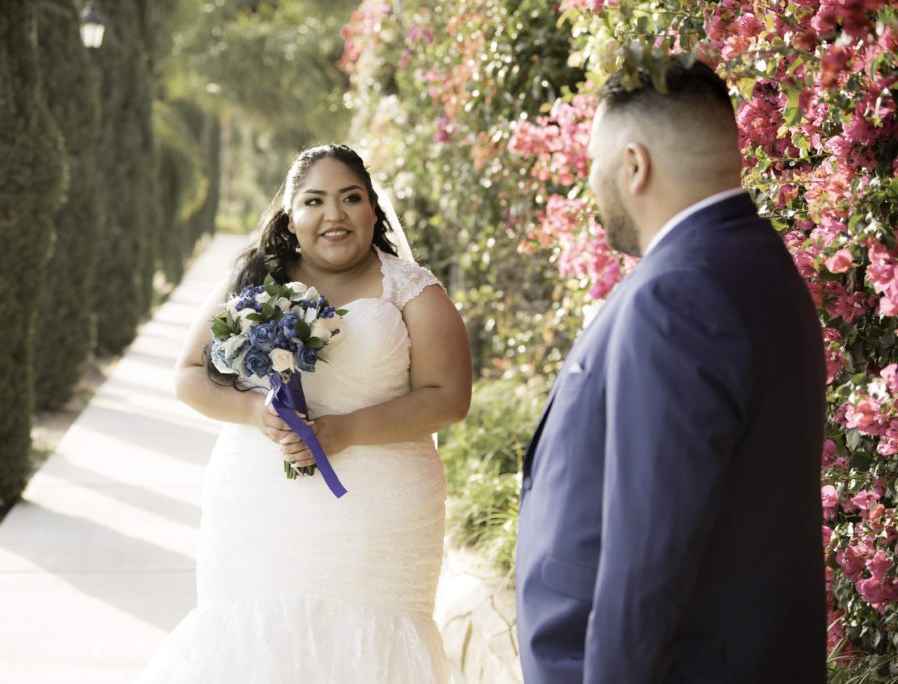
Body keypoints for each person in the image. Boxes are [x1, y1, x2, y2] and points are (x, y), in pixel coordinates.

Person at [516, 58, 827, 683]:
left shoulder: (677, 294)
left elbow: (647, 556)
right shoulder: (762, 265)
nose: (594, 188)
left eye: (596, 168)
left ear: (634, 165)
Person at [137, 143, 472, 683]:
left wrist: (347, 430)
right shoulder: (251, 282)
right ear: (290, 218)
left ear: (372, 210)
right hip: (258, 508)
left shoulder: (412, 291)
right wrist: (254, 411)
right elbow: (188, 374)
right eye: (314, 200)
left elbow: (449, 396)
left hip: (377, 515)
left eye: (350, 198)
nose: (333, 214)